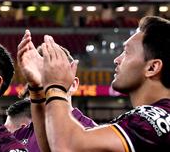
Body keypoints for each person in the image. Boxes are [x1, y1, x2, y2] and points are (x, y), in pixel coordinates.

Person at [38, 15, 170, 151]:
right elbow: (53, 146)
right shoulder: (156, 120)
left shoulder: (151, 119)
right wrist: (37, 91)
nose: (117, 59)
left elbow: (67, 147)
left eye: (126, 52)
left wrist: (56, 86)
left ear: (152, 67)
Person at [15, 32, 96, 152]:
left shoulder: (92, 132)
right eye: (42, 78)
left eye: (53, 78)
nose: (46, 86)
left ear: (73, 85)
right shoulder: (18, 136)